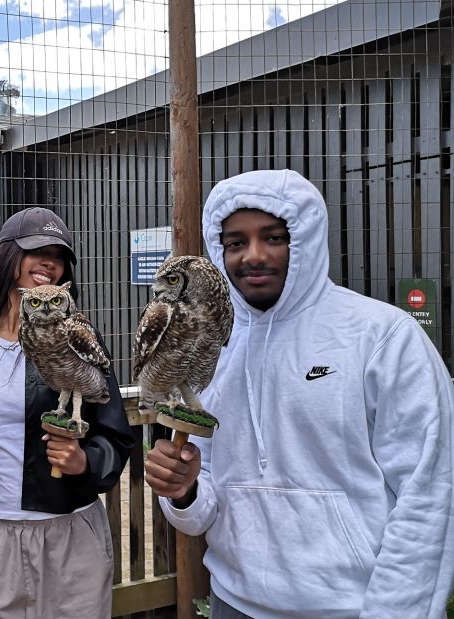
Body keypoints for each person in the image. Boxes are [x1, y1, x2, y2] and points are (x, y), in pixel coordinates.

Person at [145, 169, 454, 618]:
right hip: (235, 602)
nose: (253, 255)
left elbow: (429, 493)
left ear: (306, 239)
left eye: (273, 237)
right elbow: (206, 495)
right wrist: (184, 491)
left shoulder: (381, 336)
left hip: (354, 607)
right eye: (235, 242)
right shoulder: (214, 346)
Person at [0, 207, 135, 618]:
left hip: (69, 530)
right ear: (9, 259)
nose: (50, 262)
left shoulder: (77, 335)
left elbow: (116, 432)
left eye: (59, 255)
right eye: (37, 251)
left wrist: (85, 460)